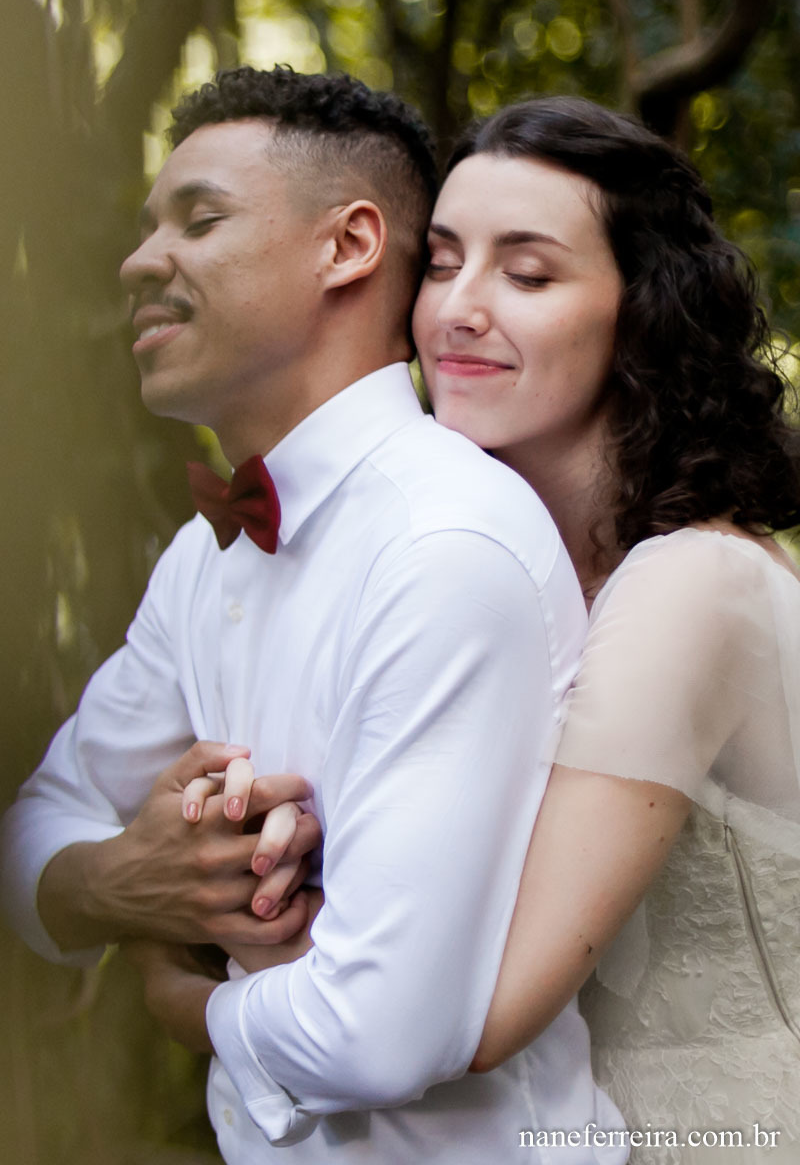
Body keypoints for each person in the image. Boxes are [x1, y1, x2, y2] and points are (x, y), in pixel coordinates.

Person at [0, 68, 625, 1164]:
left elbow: (377, 1034)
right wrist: (119, 881)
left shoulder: (446, 545)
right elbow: (39, 823)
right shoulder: (205, 557)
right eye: (151, 228)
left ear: (345, 248)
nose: (139, 261)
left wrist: (172, 997)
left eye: (198, 219)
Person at [410, 97, 800, 1162]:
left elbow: (478, 1014)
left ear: (643, 314)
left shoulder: (692, 585)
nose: (458, 308)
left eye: (526, 275)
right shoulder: (497, 586)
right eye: (440, 265)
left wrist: (194, 979)